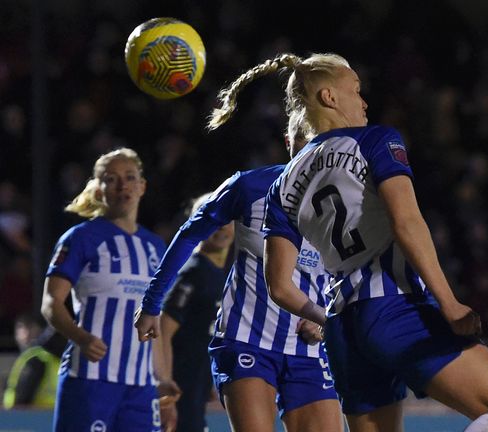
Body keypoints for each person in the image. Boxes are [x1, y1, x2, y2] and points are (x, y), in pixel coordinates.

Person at [205, 52, 488, 432]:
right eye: (356, 91)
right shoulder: (376, 139)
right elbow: (407, 223)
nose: (363, 101)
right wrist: (449, 304)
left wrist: (324, 320)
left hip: (344, 329)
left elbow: (278, 285)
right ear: (329, 97)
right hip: (397, 307)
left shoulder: (282, 184)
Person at [134, 132, 343, 431]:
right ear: (289, 141)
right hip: (247, 340)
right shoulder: (250, 186)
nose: (312, 150)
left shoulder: (346, 206)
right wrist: (152, 302)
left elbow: (350, 274)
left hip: (308, 350)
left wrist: (325, 319)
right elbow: (191, 233)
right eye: (304, 138)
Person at [41, 147, 179, 432]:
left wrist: (162, 379)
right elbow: (51, 302)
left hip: (141, 388)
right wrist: (79, 336)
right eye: (112, 178)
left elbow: (154, 323)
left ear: (142, 187)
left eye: (130, 177)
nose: (123, 185)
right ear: (99, 189)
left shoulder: (155, 247)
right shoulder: (80, 238)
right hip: (90, 379)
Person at [157, 193, 234, 432]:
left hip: (197, 383)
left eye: (225, 219)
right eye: (211, 220)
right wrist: (165, 382)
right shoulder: (193, 271)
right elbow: (162, 329)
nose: (220, 227)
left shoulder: (219, 273)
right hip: (181, 385)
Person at [3, 315, 64, 409]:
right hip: (49, 415)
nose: (26, 334)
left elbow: (24, 394)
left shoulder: (36, 357)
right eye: (21, 328)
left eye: (30, 327)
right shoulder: (60, 357)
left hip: (26, 418)